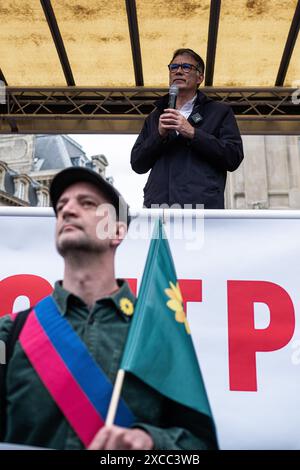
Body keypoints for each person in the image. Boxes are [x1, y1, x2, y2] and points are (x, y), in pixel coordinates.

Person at [0, 167, 217, 450]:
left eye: (87, 203)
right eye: (61, 206)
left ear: (117, 230)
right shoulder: (11, 332)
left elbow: (200, 443)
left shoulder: (155, 333)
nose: (68, 211)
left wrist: (151, 443)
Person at [131, 48, 244, 209]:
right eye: (173, 67)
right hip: (159, 209)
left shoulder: (219, 112)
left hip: (202, 210)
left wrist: (193, 133)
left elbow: (233, 157)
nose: (178, 71)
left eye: (186, 67)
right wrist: (159, 135)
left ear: (200, 77)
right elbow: (137, 163)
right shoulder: (156, 115)